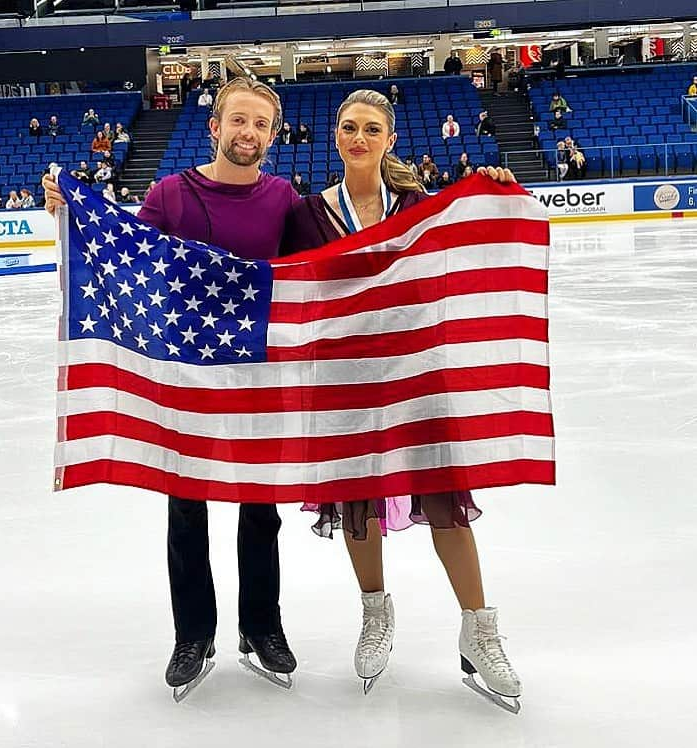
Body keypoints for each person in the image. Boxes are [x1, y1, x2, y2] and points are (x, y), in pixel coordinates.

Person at [42, 76, 300, 701]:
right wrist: (72, 208)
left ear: (272, 135)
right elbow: (124, 252)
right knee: (186, 506)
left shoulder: (285, 199)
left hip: (254, 373)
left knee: (259, 504)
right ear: (215, 127)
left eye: (260, 124)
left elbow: (328, 267)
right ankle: (194, 633)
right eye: (238, 120)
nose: (248, 133)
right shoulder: (169, 192)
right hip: (182, 374)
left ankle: (262, 627)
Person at [280, 88, 521, 709]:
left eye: (372, 129)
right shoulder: (306, 213)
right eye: (349, 127)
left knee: (446, 499)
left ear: (390, 140)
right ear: (336, 136)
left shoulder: (418, 206)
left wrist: (495, 185)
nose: (359, 138)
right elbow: (286, 292)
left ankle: (479, 629)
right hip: (346, 379)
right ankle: (375, 611)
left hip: (418, 374)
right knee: (358, 500)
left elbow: (470, 249)